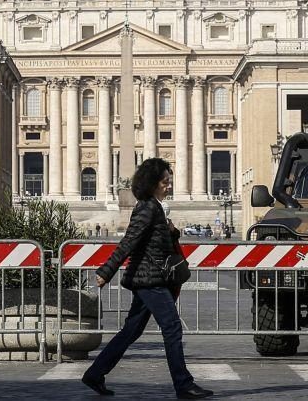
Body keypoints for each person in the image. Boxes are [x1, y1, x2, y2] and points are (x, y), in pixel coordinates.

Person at [82, 158, 212, 399]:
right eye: (165, 182)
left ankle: (95, 373)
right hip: (149, 279)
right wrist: (106, 271)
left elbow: (150, 241)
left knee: (131, 331)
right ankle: (183, 384)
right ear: (152, 183)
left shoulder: (154, 207)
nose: (169, 186)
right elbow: (129, 241)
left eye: (169, 181)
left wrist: (171, 231)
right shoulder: (147, 207)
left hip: (148, 277)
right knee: (172, 327)